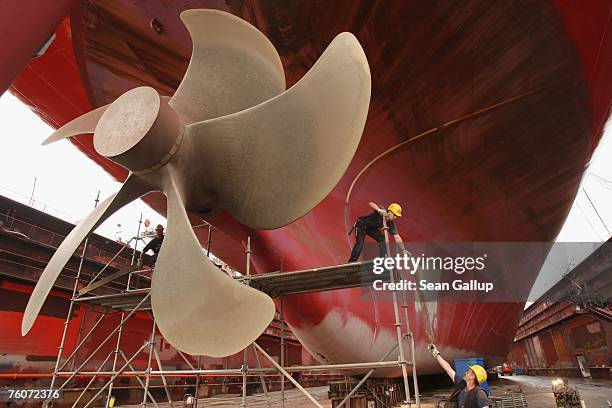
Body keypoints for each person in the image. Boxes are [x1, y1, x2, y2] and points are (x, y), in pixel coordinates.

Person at [428, 343, 492, 408]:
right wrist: (436, 354)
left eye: (468, 372)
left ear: (473, 377)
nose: (465, 373)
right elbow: (448, 369)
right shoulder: (461, 385)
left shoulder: (479, 393)